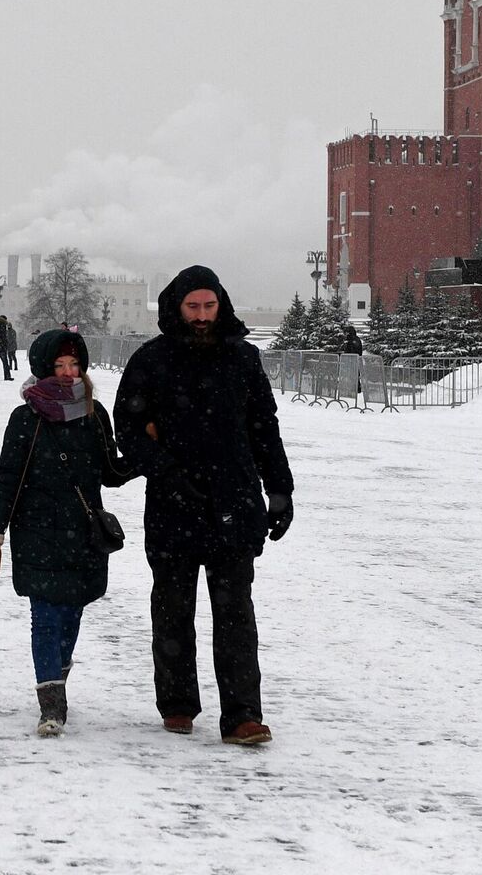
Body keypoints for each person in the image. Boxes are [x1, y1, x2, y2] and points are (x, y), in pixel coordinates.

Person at [113, 266, 294, 746]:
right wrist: (166, 471)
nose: (200, 316)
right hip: (173, 506)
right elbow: (127, 430)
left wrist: (279, 489)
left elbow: (264, 427)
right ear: (176, 307)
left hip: (233, 503)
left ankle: (241, 714)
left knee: (235, 612)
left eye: (208, 307)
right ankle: (177, 702)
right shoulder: (151, 361)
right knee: (172, 607)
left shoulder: (243, 359)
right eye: (192, 307)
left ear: (221, 306)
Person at [0, 330, 137, 736]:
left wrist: (149, 450)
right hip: (37, 534)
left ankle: (58, 676)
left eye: (75, 366)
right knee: (46, 617)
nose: (69, 374)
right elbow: (8, 479)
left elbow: (111, 472)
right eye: (59, 366)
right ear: (43, 369)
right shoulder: (26, 418)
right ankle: (51, 704)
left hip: (83, 535)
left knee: (71, 615)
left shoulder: (94, 413)